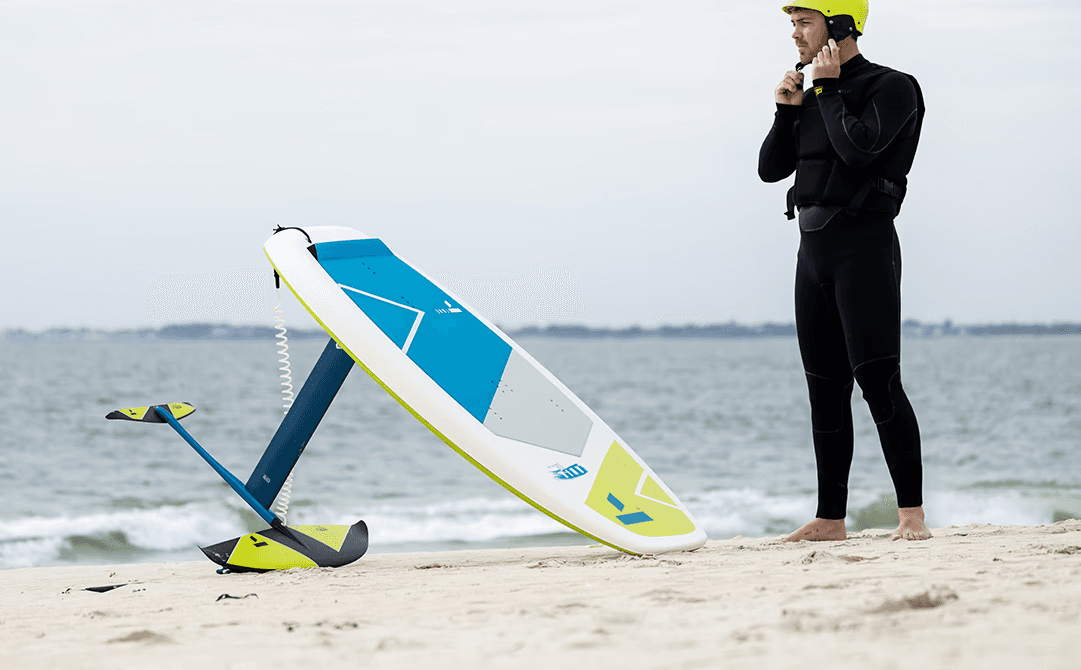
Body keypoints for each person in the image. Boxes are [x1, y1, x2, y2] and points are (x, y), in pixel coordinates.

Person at [758, 1, 931, 542]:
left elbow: (858, 152)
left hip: (865, 249)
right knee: (823, 390)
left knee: (878, 381)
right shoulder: (811, 98)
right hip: (812, 255)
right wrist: (787, 110)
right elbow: (770, 170)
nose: (794, 35)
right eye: (792, 24)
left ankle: (911, 516)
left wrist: (829, 91)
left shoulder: (893, 87)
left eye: (803, 23)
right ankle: (831, 518)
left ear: (838, 27)